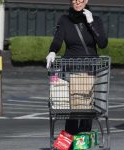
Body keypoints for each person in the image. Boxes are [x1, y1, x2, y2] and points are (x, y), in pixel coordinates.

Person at [46, 0, 108, 135]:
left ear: (86, 1)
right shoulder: (65, 20)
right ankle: (75, 139)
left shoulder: (95, 19)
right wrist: (52, 51)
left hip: (89, 69)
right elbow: (58, 39)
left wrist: (90, 22)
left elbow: (102, 43)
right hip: (70, 69)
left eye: (81, 0)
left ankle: (78, 138)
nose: (77, 2)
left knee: (83, 108)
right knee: (75, 108)